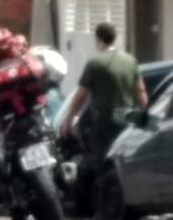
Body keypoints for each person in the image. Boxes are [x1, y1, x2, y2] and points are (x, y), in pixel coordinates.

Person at [61, 22, 148, 176]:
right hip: (127, 120)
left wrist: (69, 120)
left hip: (104, 122)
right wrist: (146, 115)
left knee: (102, 163)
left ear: (99, 39)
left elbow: (80, 96)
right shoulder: (130, 60)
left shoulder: (95, 63)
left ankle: (104, 194)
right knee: (123, 161)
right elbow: (140, 91)